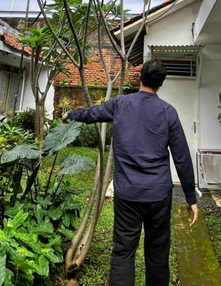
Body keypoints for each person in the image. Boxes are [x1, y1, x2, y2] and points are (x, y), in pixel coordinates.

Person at [62, 59, 198, 286]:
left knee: (123, 252)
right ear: (160, 84)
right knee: (158, 254)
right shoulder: (168, 112)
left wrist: (71, 114)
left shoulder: (121, 104)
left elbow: (94, 113)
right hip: (158, 195)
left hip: (127, 195)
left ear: (141, 77)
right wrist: (191, 198)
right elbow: (182, 157)